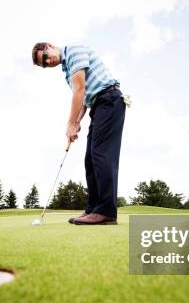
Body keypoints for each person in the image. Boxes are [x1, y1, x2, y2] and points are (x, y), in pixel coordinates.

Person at [32, 42, 126, 225]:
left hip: (109, 99)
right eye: (44, 64)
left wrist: (70, 123)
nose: (48, 61)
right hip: (98, 105)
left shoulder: (73, 51)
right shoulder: (67, 72)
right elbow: (83, 101)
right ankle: (94, 209)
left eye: (45, 57)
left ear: (50, 46)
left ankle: (106, 211)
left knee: (101, 155)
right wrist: (75, 124)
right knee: (90, 159)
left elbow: (80, 90)